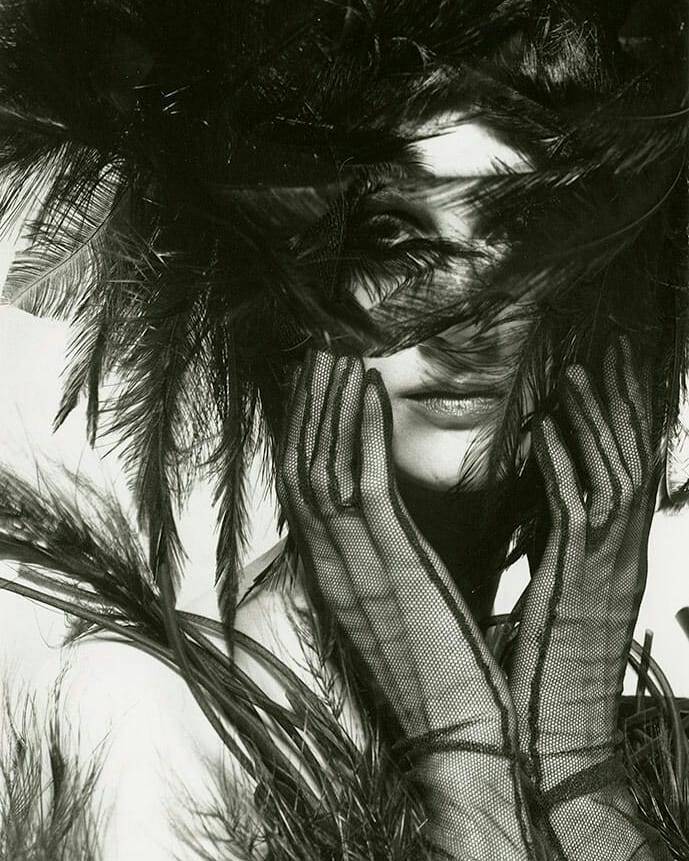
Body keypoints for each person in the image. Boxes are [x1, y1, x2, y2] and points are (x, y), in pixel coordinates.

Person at [0, 1, 685, 859]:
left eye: (525, 235)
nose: (465, 314)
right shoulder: (146, 720)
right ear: (278, 289)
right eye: (392, 236)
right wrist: (465, 755)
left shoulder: (628, 740)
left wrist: (577, 761)